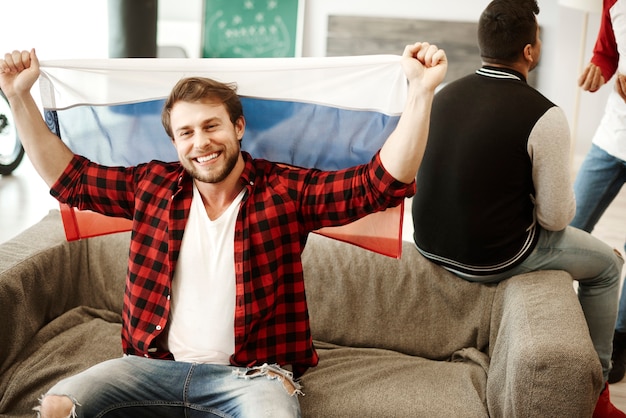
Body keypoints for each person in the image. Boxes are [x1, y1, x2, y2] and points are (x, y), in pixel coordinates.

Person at [0, 42, 446, 417]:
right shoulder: (150, 186)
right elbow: (69, 178)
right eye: (187, 132)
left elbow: (378, 184)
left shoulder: (284, 191)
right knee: (59, 405)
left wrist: (422, 92)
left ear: (237, 127)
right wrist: (18, 97)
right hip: (149, 367)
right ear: (175, 143)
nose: (201, 142)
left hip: (251, 377)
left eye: (212, 125)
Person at [410, 0, 625, 416]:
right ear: (529, 52)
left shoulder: (443, 94)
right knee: (608, 266)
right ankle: (596, 392)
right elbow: (556, 218)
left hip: (429, 243)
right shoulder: (544, 114)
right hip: (493, 258)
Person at [571, 0, 626, 385]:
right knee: (568, 224)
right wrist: (600, 68)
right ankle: (558, 319)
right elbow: (608, 50)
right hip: (615, 134)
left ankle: (620, 340)